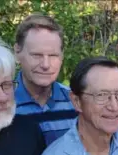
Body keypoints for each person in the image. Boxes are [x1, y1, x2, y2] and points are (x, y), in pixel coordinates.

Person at [14, 13, 76, 145]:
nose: (46, 65)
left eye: (53, 55)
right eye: (37, 55)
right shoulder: (1, 103)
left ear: (62, 56)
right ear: (17, 52)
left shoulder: (76, 103)